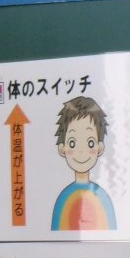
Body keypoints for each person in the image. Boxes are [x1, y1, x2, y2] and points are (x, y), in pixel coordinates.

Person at [50, 96, 116, 230]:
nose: (81, 151)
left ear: (100, 147)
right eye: (72, 143)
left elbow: (111, 230)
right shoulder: (63, 199)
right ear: (62, 148)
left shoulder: (103, 199)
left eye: (90, 143)